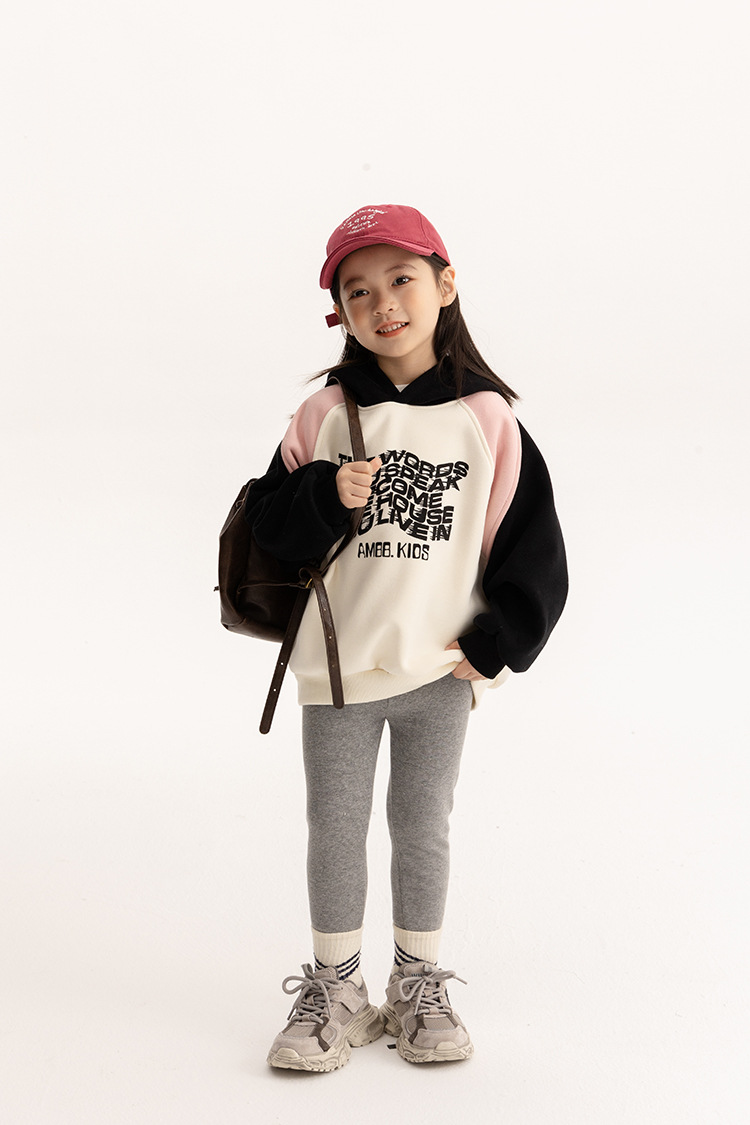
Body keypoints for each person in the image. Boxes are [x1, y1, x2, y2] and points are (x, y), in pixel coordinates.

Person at [243, 204, 568, 1071]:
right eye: (358, 291)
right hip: (340, 670)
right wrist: (323, 493)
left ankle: (417, 981)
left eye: (401, 279)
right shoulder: (324, 413)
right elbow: (266, 525)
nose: (382, 302)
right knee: (335, 827)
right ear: (339, 314)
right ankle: (337, 986)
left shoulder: (486, 418)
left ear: (445, 283)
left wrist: (496, 643)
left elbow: (534, 545)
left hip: (437, 670)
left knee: (423, 826)